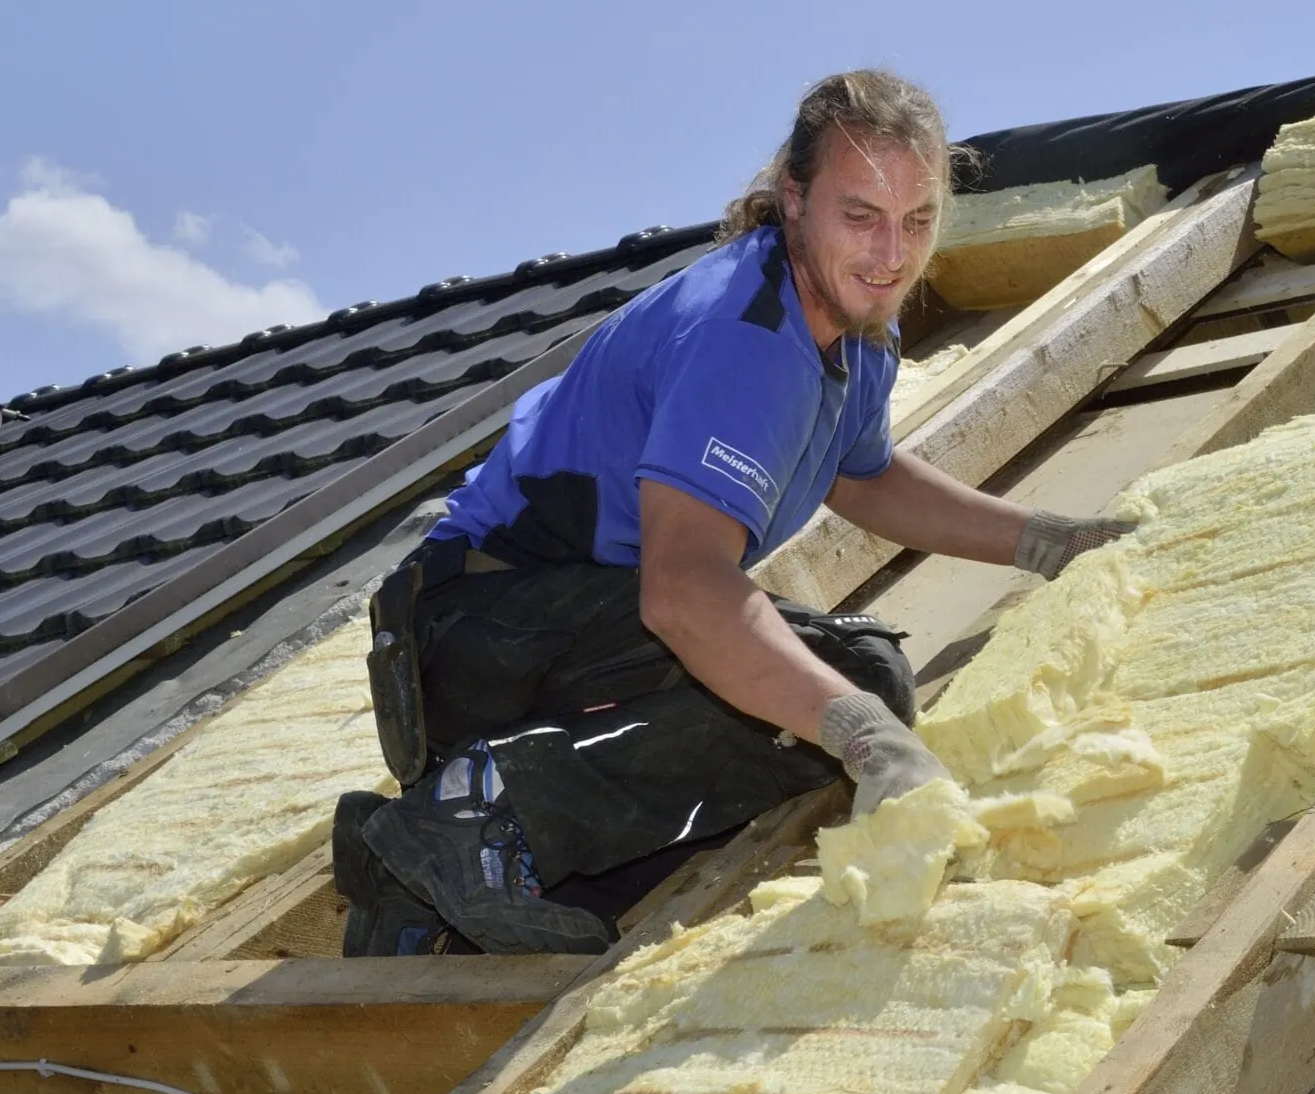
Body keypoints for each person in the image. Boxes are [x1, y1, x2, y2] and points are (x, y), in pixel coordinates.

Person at [337, 70, 1131, 955]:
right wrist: (869, 737)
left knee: (825, 687)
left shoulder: (857, 319)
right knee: (840, 688)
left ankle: (424, 883)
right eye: (860, 215)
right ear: (793, 199)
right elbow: (680, 591)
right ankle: (479, 813)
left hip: (556, 637)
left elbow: (861, 476)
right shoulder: (746, 340)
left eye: (918, 221)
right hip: (480, 628)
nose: (892, 254)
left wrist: (1047, 542)